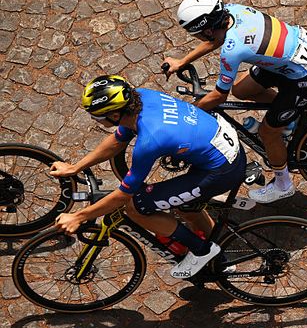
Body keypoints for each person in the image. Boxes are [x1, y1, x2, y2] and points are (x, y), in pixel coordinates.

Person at [51, 75, 246, 278]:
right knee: (187, 208)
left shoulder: (150, 140)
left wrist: (79, 216)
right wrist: (75, 167)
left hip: (221, 171)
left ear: (116, 115)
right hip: (224, 153)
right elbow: (117, 141)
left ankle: (202, 251)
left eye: (97, 115)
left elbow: (124, 195)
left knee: (136, 207)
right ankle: (219, 260)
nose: (94, 119)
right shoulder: (141, 97)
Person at [163, 0, 307, 203]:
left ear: (207, 29)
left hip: (304, 78)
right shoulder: (232, 10)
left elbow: (219, 97)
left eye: (197, 34)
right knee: (241, 90)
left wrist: (190, 111)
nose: (197, 38)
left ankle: (283, 185)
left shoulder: (233, 50)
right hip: (293, 59)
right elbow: (215, 38)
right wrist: (182, 61)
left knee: (267, 133)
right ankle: (292, 116)